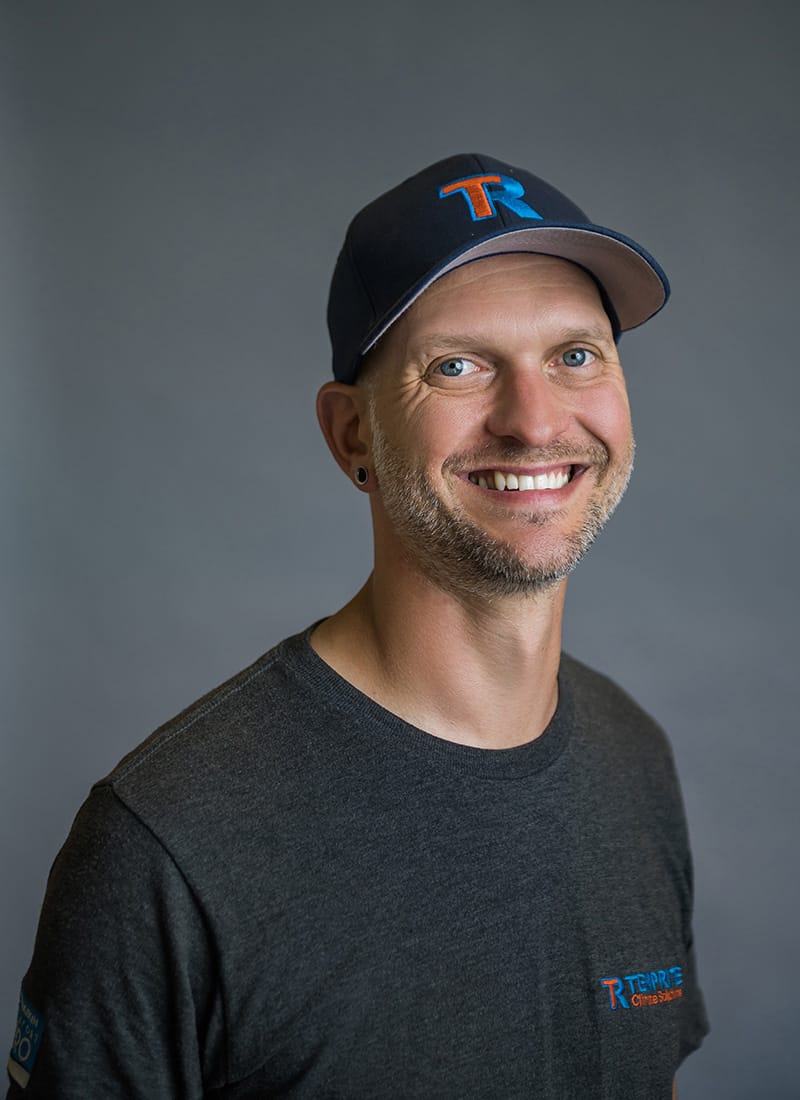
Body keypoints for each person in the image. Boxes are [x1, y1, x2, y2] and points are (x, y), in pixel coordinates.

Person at [7, 153, 708, 1099]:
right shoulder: (170, 843)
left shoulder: (634, 757)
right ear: (352, 436)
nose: (537, 422)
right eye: (457, 366)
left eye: (575, 356)